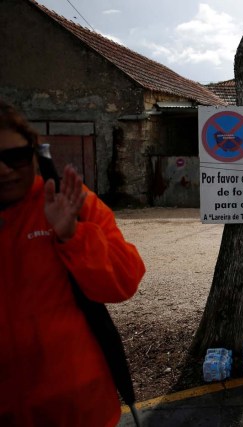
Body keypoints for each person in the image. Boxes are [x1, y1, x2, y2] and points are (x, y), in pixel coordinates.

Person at [0, 100, 146, 426]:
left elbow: (124, 281)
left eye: (15, 157)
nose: (3, 170)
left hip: (78, 408)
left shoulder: (71, 201)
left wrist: (73, 235)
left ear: (35, 154)